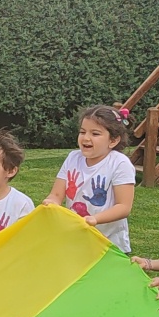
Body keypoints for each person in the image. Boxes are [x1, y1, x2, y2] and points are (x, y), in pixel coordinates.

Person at [43, 106, 137, 252]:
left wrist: (95, 219)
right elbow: (56, 194)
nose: (86, 138)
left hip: (108, 243)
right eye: (82, 132)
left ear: (113, 140)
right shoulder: (73, 158)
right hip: (76, 238)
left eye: (95, 133)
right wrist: (51, 202)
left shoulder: (120, 164)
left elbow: (123, 207)